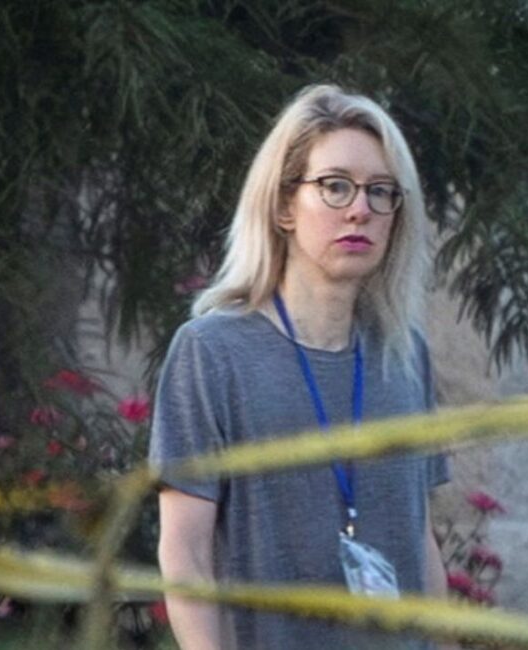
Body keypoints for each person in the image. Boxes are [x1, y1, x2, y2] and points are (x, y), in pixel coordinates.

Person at [148, 83, 449, 650]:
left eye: (380, 192)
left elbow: (419, 537)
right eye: (335, 186)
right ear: (285, 205)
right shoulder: (212, 352)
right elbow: (183, 552)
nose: (360, 208)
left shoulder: (405, 356)